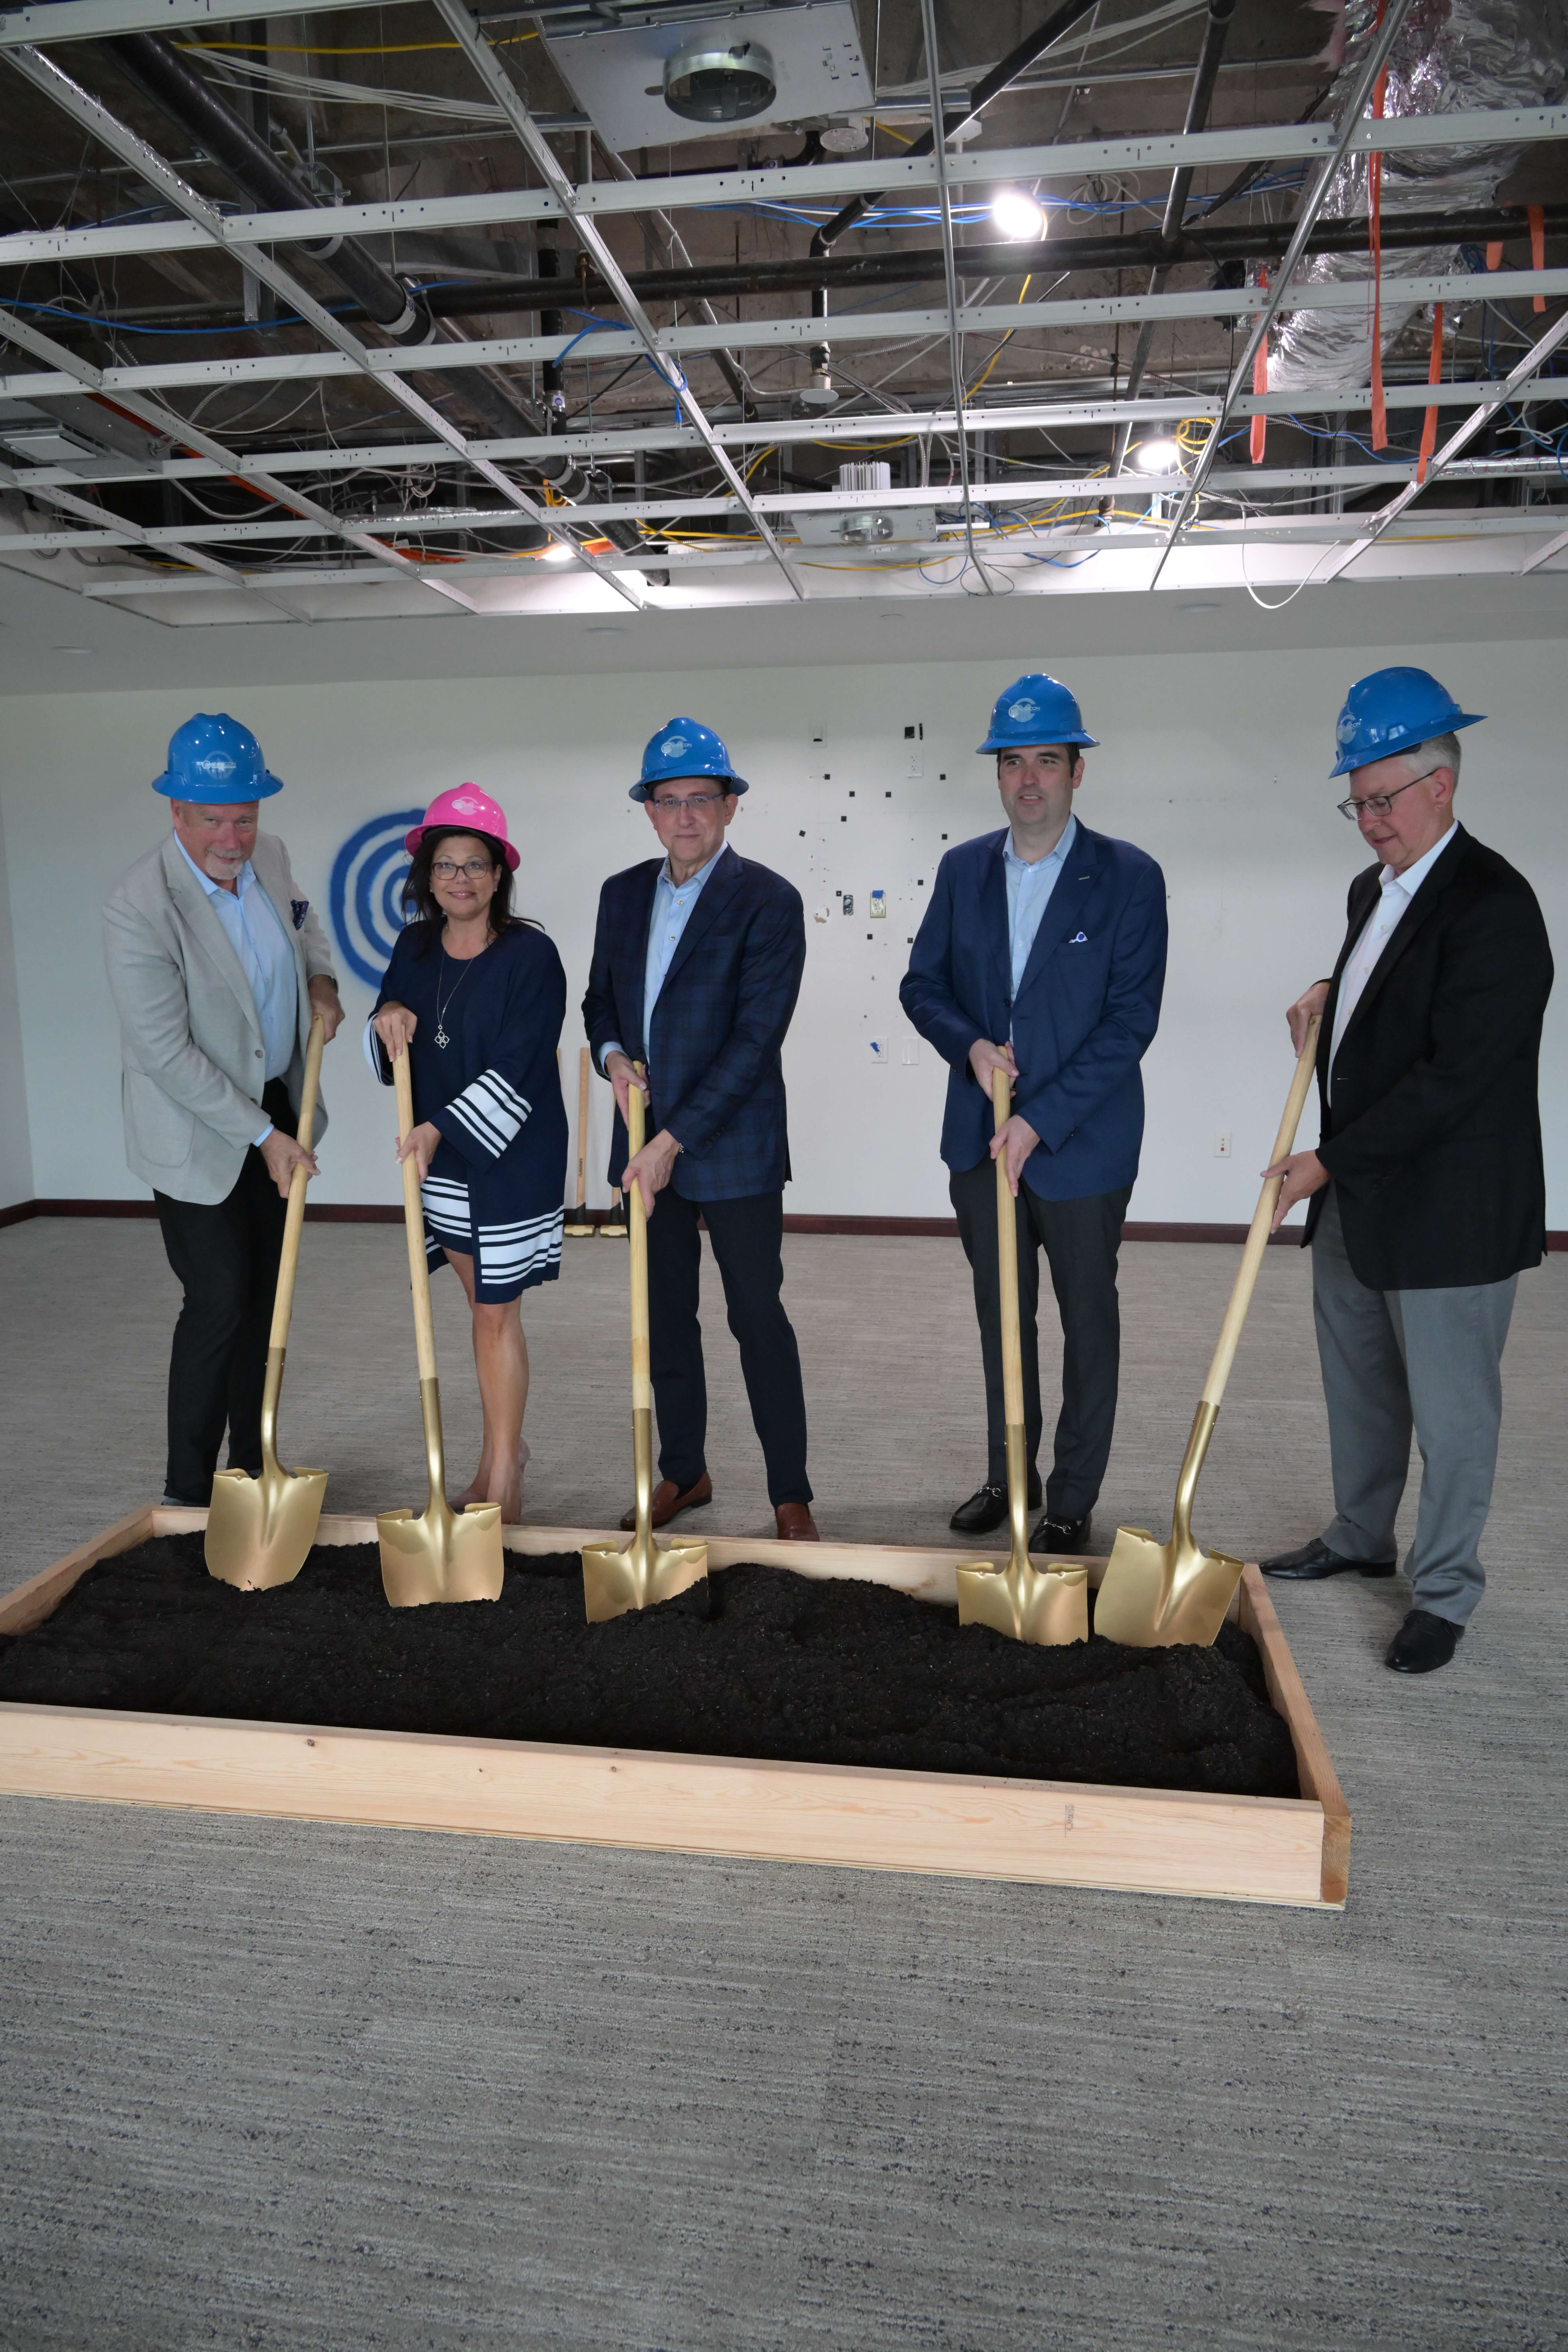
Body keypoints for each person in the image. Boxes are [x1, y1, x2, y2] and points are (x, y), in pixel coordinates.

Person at [1261, 667, 1553, 1675]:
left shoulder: (1497, 907)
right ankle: (1357, 1536)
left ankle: (1445, 1594)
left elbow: (1459, 1078)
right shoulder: (1374, 889)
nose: (1367, 821)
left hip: (1450, 1211)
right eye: (1356, 800)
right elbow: (1391, 987)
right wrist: (1327, 993)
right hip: (1363, 1197)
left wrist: (1325, 1160)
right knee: (1363, 1388)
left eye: (1382, 800)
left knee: (1454, 1413)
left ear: (1444, 784)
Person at [901, 673, 1168, 1555]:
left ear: (1076, 771)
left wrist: (1039, 1120)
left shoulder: (1129, 878)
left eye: (1046, 761)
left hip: (1081, 1147)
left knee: (1088, 1321)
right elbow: (922, 985)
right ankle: (1009, 1474)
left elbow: (1131, 1021)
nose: (1028, 781)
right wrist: (970, 1048)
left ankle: (1072, 1496)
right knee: (1002, 1318)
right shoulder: (961, 869)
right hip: (982, 1147)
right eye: (1012, 763)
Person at [102, 712, 345, 1506]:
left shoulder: (270, 857)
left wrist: (322, 986)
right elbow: (164, 1055)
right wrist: (264, 1135)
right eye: (213, 818)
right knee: (218, 1300)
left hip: (276, 1098)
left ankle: (254, 1467)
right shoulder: (139, 907)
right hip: (196, 1129)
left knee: (268, 1297)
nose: (232, 836)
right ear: (176, 812)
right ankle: (186, 1494)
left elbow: (309, 935)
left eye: (245, 816)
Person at [583, 718, 816, 1541]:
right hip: (644, 1142)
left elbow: (756, 1041)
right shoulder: (621, 894)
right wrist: (612, 1057)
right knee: (665, 1315)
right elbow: (599, 1003)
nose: (685, 817)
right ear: (649, 810)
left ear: (730, 807)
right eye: (669, 801)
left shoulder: (769, 901)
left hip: (732, 1144)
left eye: (702, 800)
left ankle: (791, 1492)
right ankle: (683, 1471)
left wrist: (670, 1139)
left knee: (758, 1317)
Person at [368, 786, 567, 1526]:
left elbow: (520, 1065)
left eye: (475, 865)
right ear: (428, 875)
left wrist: (439, 1129)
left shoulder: (532, 955)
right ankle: (498, 1458)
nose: (461, 878)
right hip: (442, 1163)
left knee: (494, 1315)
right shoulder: (414, 947)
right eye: (446, 865)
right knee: (481, 1312)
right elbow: (390, 1027)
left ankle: (504, 1470)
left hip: (509, 1153)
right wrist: (386, 1017)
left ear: (498, 874)